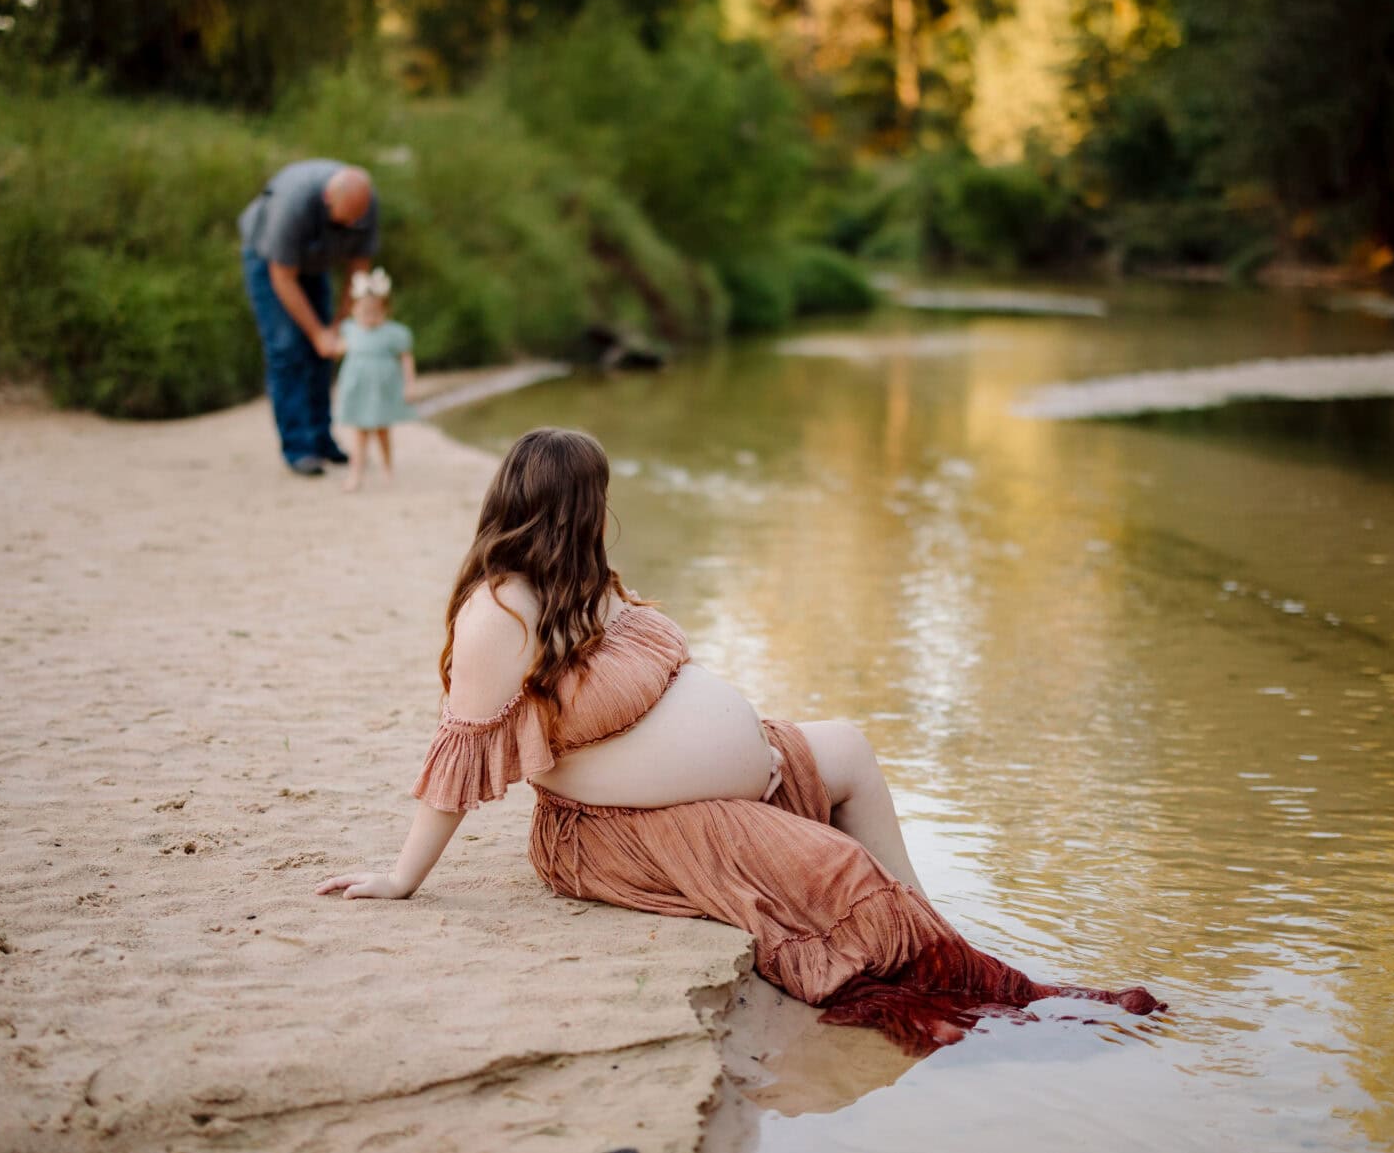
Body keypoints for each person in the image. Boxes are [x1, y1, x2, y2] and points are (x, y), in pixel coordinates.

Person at [315, 428, 1164, 1054]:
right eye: (598, 495)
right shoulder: (499, 611)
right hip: (610, 834)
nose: (608, 509)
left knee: (852, 750)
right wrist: (401, 877)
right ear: (568, 506)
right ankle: (960, 986)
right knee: (839, 874)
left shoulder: (582, 580)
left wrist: (733, 747)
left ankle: (936, 934)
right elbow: (457, 755)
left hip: (704, 783)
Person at [238, 160, 379, 476]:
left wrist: (339, 325)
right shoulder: (294, 203)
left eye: (355, 221)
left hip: (315, 264)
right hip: (270, 263)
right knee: (287, 349)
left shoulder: (366, 204)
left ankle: (321, 439)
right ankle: (298, 448)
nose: (350, 227)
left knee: (324, 352)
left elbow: (358, 270)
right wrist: (317, 332)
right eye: (344, 220)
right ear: (329, 199)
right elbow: (282, 278)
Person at [331, 273, 418, 493]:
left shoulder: (393, 333)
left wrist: (409, 384)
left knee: (382, 432)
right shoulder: (350, 330)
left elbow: (406, 358)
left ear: (385, 310)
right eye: (364, 311)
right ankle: (356, 474)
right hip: (358, 390)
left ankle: (388, 470)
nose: (369, 316)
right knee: (359, 434)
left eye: (375, 311)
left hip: (381, 392)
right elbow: (337, 349)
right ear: (354, 309)